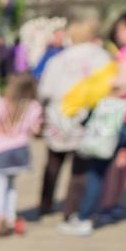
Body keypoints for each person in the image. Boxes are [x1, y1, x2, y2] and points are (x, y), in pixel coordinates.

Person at [60, 10, 126, 236]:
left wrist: (99, 92)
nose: (117, 34)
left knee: (98, 168)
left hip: (124, 118)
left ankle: (84, 218)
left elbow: (123, 86)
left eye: (119, 29)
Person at [37, 20, 112, 218]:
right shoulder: (103, 58)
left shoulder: (59, 59)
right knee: (79, 169)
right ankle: (70, 209)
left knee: (53, 163)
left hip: (58, 115)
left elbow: (45, 90)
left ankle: (45, 204)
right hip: (86, 118)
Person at [0, 74, 42, 237]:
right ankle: (10, 217)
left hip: (0, 151)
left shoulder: (2, 103)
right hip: (20, 151)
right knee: (10, 186)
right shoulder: (33, 106)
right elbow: (36, 130)